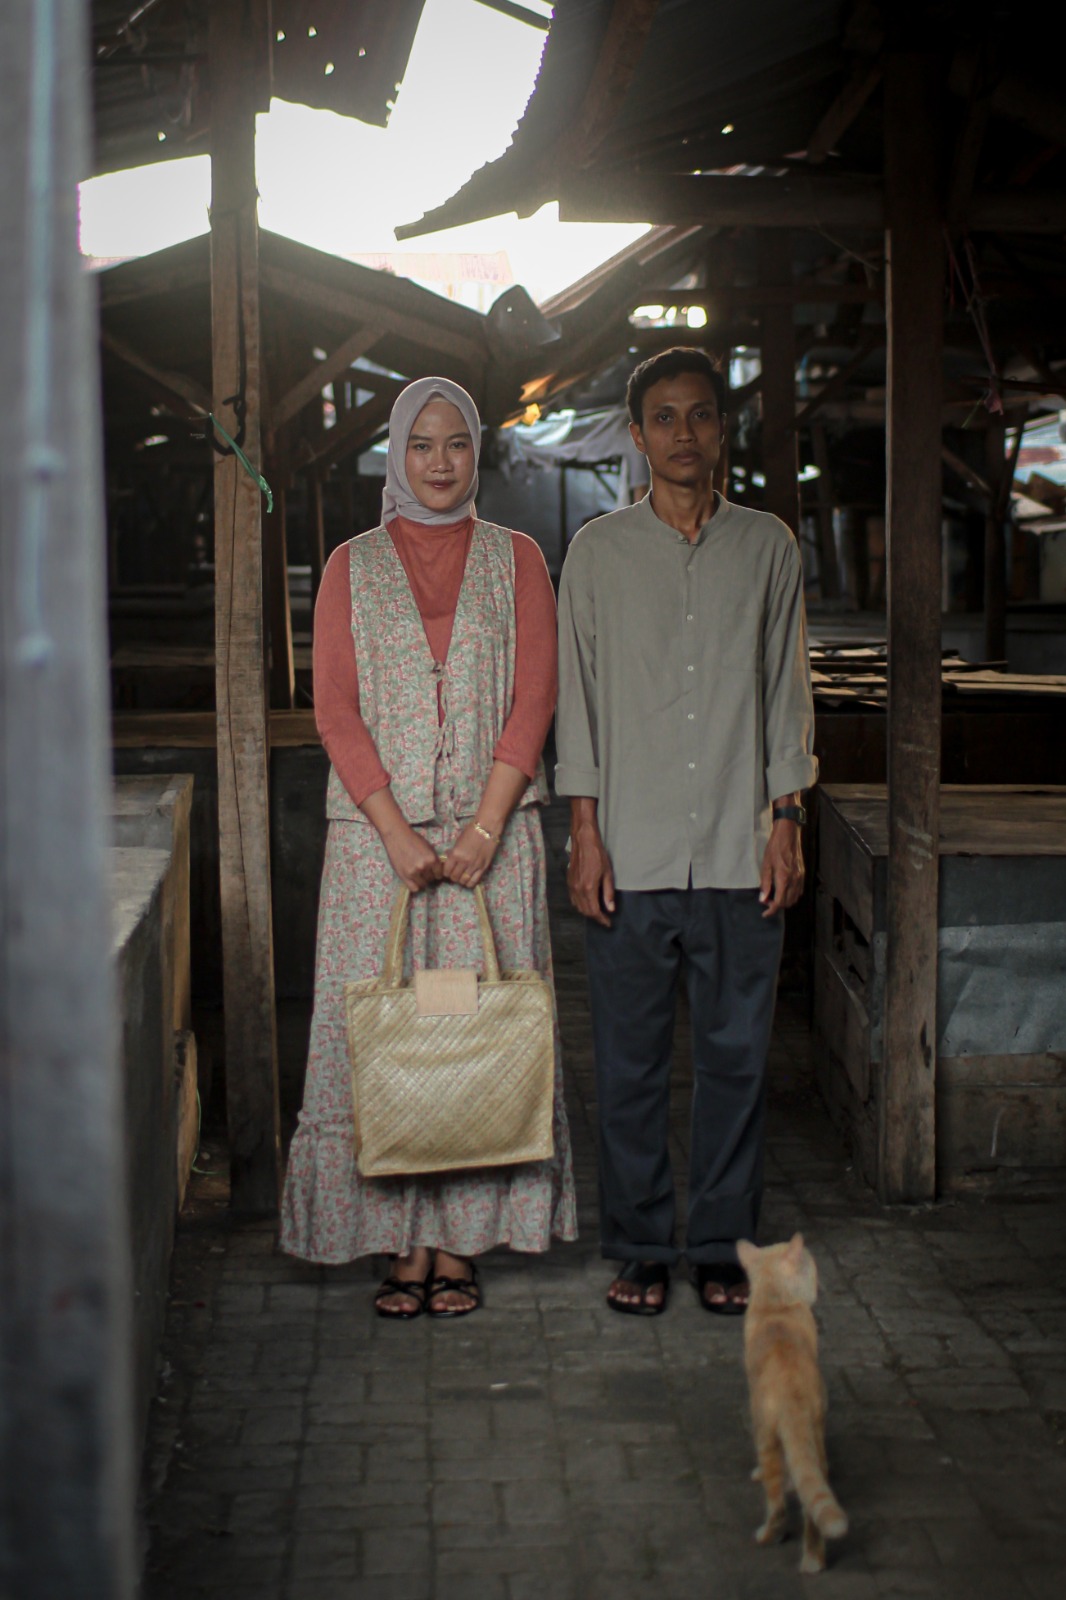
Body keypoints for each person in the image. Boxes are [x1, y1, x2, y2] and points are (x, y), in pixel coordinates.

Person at [280, 376, 577, 1318]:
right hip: (380, 853)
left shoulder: (518, 559)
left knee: (471, 1032)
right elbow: (334, 709)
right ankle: (398, 1241)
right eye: (421, 444)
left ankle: (459, 1242)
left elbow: (535, 697)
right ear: (397, 454)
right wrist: (398, 831)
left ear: (476, 451)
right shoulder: (351, 565)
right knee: (389, 1033)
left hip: (495, 845)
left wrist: (485, 826)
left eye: (455, 444)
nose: (439, 463)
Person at [555, 346, 816, 1317]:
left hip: (741, 851)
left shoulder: (767, 548)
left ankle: (717, 1245)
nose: (683, 433)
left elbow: (787, 693)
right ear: (636, 434)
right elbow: (576, 702)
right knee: (627, 1067)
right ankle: (637, 1245)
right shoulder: (598, 553)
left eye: (700, 414)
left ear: (722, 428)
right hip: (631, 847)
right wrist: (584, 832)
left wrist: (786, 819)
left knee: (735, 1064)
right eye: (663, 417)